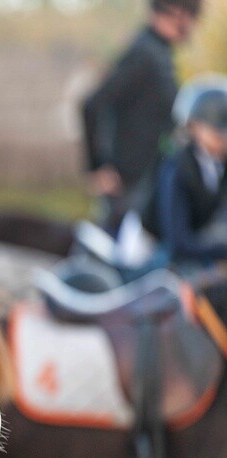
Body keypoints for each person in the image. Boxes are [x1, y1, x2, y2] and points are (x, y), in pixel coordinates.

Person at [81, 0, 201, 237]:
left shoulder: (160, 52)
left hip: (146, 179)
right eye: (190, 16)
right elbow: (94, 104)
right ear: (176, 12)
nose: (191, 25)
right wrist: (100, 165)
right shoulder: (145, 53)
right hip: (129, 182)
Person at [152, 87, 227, 271]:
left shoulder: (220, 163)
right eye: (217, 132)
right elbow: (177, 242)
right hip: (154, 248)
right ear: (195, 126)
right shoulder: (177, 167)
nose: (224, 138)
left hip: (196, 247)